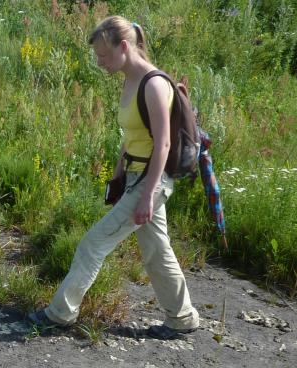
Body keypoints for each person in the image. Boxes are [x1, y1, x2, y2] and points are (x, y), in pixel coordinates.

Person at [26, 16, 200, 341]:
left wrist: (147, 195)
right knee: (157, 251)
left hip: (152, 179)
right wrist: (119, 170)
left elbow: (162, 143)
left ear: (123, 47)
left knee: (93, 244)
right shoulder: (130, 80)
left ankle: (60, 314)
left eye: (103, 55)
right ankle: (183, 318)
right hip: (135, 175)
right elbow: (133, 133)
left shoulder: (154, 84)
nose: (99, 62)